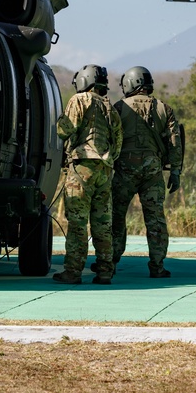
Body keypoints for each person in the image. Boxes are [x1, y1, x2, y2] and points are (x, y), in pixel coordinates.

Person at [108, 66, 183, 278]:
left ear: (129, 83)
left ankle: (110, 263)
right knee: (155, 218)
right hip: (153, 172)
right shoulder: (163, 108)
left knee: (116, 216)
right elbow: (174, 143)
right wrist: (175, 172)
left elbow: (109, 138)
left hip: (124, 171)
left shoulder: (119, 107)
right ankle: (157, 266)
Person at [53, 64, 122, 285]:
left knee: (78, 223)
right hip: (105, 169)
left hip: (83, 167)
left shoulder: (80, 100)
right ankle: (104, 272)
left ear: (85, 80)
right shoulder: (110, 106)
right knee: (103, 225)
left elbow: (64, 130)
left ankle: (73, 271)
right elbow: (118, 143)